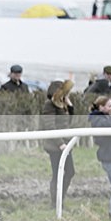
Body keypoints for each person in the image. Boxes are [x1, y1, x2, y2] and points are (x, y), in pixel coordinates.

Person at [41, 80, 75, 209]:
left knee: (69, 172)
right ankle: (55, 203)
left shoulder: (62, 104)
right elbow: (50, 125)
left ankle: (59, 200)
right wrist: (60, 143)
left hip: (64, 144)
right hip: (56, 145)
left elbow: (68, 121)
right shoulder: (49, 104)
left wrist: (70, 107)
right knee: (58, 173)